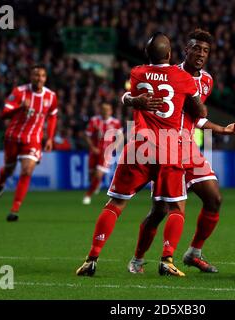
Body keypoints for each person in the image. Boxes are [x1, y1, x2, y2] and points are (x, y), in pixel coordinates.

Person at [76, 32, 208, 277]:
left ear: (147, 55)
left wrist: (132, 99)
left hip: (138, 145)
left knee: (116, 203)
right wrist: (196, 103)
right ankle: (167, 259)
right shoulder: (183, 77)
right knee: (176, 208)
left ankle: (91, 259)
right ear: (170, 54)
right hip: (169, 147)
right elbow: (199, 111)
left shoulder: (138, 72)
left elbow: (127, 97)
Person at [123, 29, 235, 274]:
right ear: (185, 50)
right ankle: (137, 259)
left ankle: (193, 253)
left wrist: (222, 129)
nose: (201, 54)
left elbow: (195, 118)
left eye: (205, 51)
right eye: (196, 49)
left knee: (214, 199)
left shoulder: (207, 81)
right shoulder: (169, 74)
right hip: (166, 147)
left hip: (188, 147)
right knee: (159, 211)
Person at [0, 65, 58, 222]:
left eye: (42, 75)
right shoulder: (19, 92)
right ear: (31, 76)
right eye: (36, 75)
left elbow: (52, 116)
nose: (39, 78)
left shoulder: (51, 96)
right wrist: (20, 108)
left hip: (33, 139)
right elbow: (3, 114)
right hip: (13, 137)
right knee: (9, 170)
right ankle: (1, 180)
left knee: (27, 170)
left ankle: (14, 209)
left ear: (45, 78)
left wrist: (49, 138)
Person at [82, 103, 123, 205]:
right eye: (103, 110)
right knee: (92, 174)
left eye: (107, 110)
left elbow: (120, 136)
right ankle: (96, 185)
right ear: (100, 110)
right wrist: (92, 147)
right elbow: (87, 135)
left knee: (98, 174)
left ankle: (88, 196)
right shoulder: (94, 120)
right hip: (94, 151)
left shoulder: (115, 122)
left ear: (111, 111)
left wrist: (114, 146)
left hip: (106, 153)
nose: (105, 112)